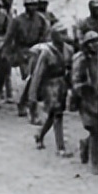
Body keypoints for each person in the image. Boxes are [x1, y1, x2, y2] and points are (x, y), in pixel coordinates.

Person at [71, 30, 98, 174]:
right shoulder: (80, 59)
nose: (96, 45)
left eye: (97, 41)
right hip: (87, 99)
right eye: (92, 42)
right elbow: (75, 80)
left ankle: (85, 144)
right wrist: (84, 87)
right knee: (94, 129)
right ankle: (95, 164)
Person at [31, 23, 73, 157]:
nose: (64, 36)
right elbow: (38, 73)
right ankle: (60, 147)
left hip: (62, 83)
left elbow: (71, 68)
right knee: (57, 114)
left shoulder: (69, 49)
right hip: (49, 84)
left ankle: (40, 135)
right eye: (61, 33)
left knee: (53, 114)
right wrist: (33, 93)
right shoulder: (46, 52)